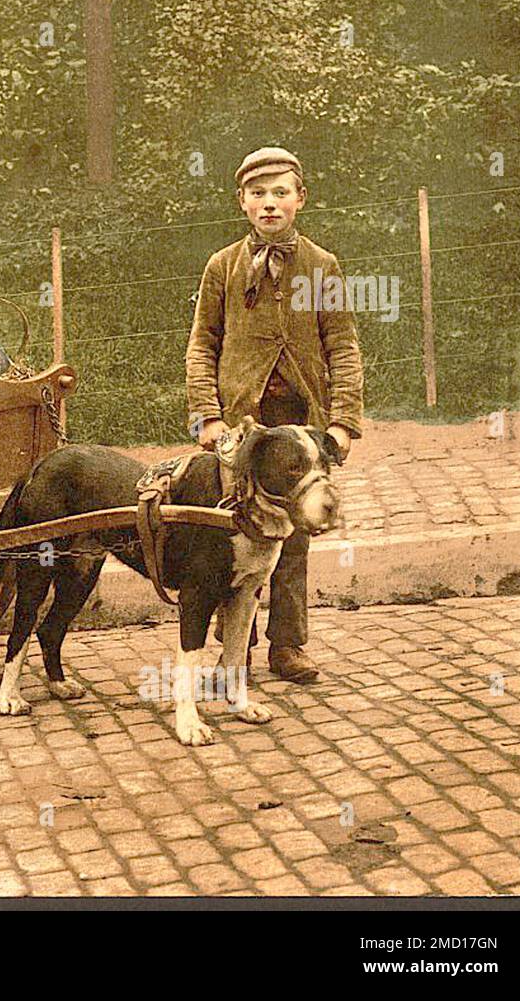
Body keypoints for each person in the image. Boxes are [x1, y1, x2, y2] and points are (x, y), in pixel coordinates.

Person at [185, 146, 364, 684]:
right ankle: (230, 648)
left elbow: (344, 347)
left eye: (281, 193)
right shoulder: (222, 266)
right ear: (242, 202)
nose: (270, 204)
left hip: (301, 423)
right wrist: (208, 417)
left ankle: (288, 644)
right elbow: (202, 346)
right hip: (242, 426)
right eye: (258, 194)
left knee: (295, 534)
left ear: (300, 199)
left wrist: (342, 422)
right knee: (232, 532)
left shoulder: (322, 265)